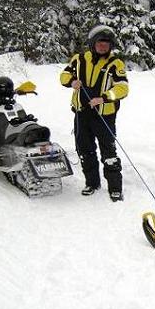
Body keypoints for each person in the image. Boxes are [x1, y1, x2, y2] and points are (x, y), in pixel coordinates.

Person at [60, 24, 129, 202]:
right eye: (100, 43)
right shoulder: (79, 59)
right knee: (85, 150)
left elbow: (123, 88)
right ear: (92, 43)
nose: (103, 46)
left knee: (109, 153)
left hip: (104, 116)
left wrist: (104, 98)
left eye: (106, 44)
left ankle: (115, 188)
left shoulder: (115, 64)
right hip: (81, 114)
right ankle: (92, 183)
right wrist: (71, 81)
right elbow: (63, 75)